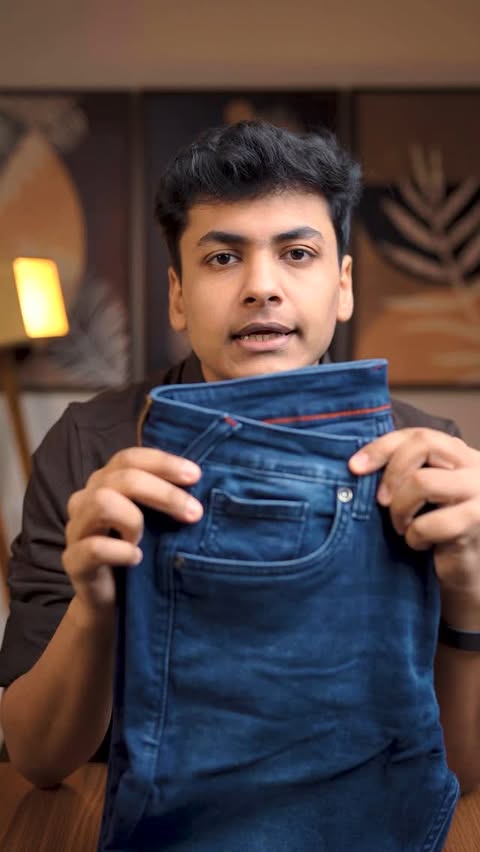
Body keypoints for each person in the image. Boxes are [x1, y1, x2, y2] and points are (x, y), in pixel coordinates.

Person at [1, 119, 480, 823]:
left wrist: (470, 594)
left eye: (297, 253)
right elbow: (38, 757)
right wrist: (95, 606)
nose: (261, 287)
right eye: (223, 258)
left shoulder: (427, 455)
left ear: (343, 285)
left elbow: (458, 775)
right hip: (144, 816)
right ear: (177, 294)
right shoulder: (88, 447)